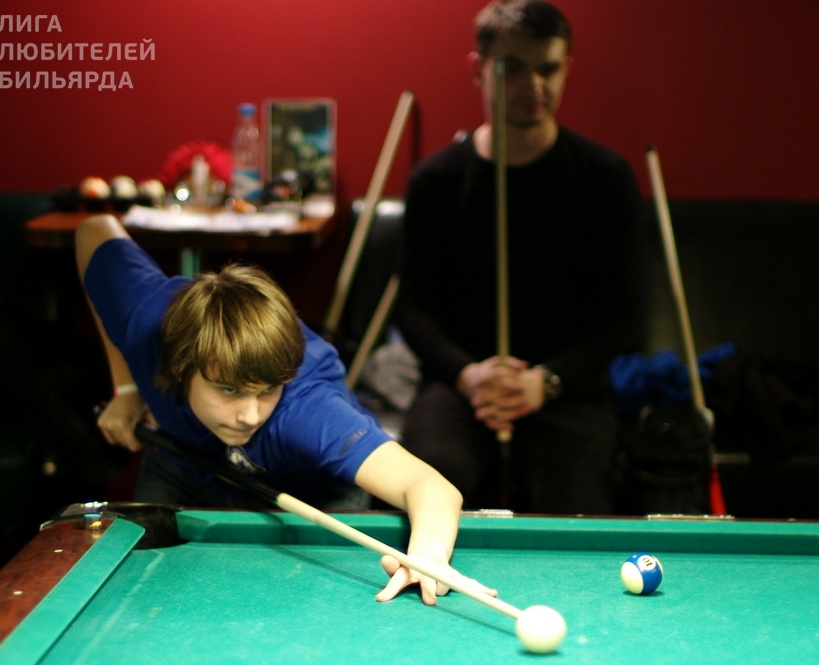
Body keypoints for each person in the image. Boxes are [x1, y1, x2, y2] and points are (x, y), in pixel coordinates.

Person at [77, 214, 491, 605]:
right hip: (184, 467)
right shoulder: (147, 319)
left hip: (312, 496)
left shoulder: (308, 410)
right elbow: (93, 230)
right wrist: (127, 388)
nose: (251, 415)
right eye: (228, 390)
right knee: (144, 597)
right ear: (182, 369)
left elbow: (429, 486)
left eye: (267, 391)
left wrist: (428, 557)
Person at [394, 0, 646, 514]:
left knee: (572, 500)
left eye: (548, 69)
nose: (534, 85)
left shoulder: (605, 178)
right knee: (429, 485)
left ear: (567, 67)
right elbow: (412, 309)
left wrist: (546, 381)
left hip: (567, 390)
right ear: (478, 68)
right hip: (461, 388)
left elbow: (628, 318)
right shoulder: (437, 182)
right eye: (512, 68)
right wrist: (467, 374)